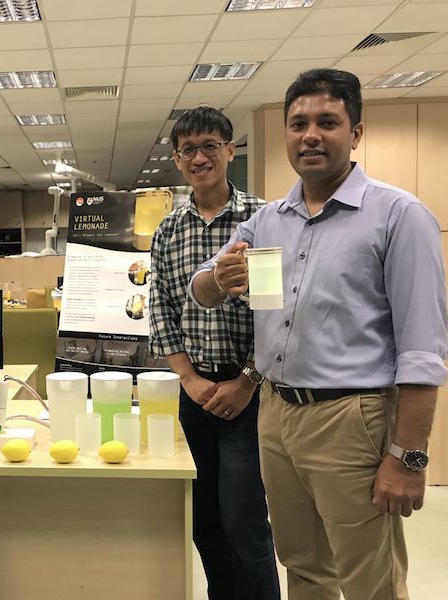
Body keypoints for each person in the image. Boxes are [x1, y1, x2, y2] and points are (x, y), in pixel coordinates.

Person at [191, 68, 448, 600]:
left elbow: (423, 352)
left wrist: (408, 457)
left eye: (327, 122)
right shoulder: (267, 221)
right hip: (275, 413)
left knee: (367, 578)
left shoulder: (398, 215)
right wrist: (218, 278)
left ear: (355, 132)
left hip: (350, 417)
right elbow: (200, 290)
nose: (310, 134)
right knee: (303, 566)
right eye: (298, 123)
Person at [148, 107, 280, 600]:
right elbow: (159, 309)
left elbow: (275, 313)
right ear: (178, 161)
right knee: (204, 522)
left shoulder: (264, 219)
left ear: (230, 150)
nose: (200, 158)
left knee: (245, 522)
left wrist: (246, 380)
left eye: (210, 146)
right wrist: (189, 381)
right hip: (195, 394)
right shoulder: (169, 230)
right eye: (188, 150)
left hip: (249, 393)